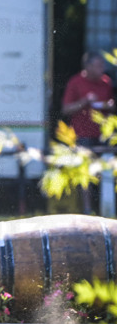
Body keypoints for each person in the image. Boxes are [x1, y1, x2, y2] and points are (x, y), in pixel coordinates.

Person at [61, 51, 115, 213]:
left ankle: (106, 208)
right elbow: (66, 109)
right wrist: (85, 101)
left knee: (105, 171)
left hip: (103, 135)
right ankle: (87, 209)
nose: (102, 69)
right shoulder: (76, 82)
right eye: (98, 66)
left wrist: (110, 106)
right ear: (88, 66)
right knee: (85, 172)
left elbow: (110, 106)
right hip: (82, 135)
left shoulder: (106, 82)